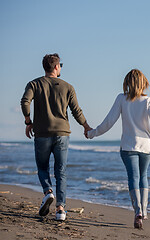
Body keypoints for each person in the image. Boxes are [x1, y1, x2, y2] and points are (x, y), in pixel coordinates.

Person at [86, 69, 150, 229]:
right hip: (146, 146)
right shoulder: (148, 101)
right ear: (143, 83)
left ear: (127, 82)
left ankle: (138, 211)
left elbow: (109, 121)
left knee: (133, 178)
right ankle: (144, 211)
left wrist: (93, 133)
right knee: (143, 176)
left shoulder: (121, 99)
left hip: (128, 146)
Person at [21, 53, 91, 221]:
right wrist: (86, 126)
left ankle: (48, 192)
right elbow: (76, 111)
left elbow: (25, 102)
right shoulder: (67, 87)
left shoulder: (34, 84)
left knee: (43, 167)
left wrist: (28, 121)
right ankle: (60, 209)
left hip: (42, 133)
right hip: (62, 134)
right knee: (61, 172)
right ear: (57, 67)